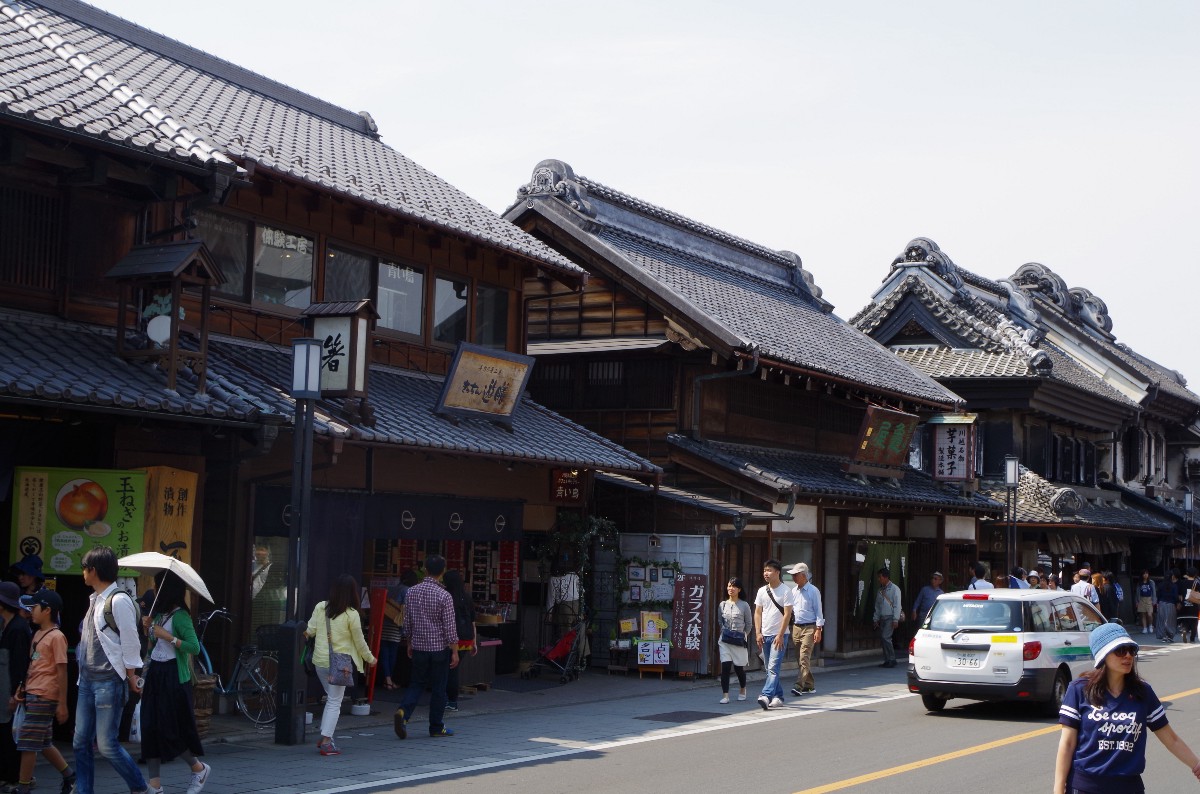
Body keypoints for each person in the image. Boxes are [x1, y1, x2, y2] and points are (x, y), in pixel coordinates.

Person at [1054, 622, 1200, 793]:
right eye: (1121, 650)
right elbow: (1067, 743)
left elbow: (1171, 739)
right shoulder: (1079, 689)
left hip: (1129, 787)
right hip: (1085, 787)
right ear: (1103, 655)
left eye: (1132, 650)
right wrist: (1059, 788)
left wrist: (1196, 765)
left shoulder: (1143, 693)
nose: (1128, 656)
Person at [74, 545, 148, 794]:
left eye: (85, 568)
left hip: (108, 682)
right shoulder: (95, 599)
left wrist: (131, 676)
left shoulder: (119, 600)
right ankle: (84, 790)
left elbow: (131, 641)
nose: (83, 572)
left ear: (93, 570)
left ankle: (140, 788)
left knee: (107, 745)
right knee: (80, 742)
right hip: (87, 680)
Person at [139, 570, 209, 794]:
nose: (154, 591)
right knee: (149, 726)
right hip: (156, 673)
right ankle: (155, 784)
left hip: (173, 676)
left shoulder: (181, 616)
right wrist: (148, 629)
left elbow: (194, 647)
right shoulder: (159, 614)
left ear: (167, 590)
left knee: (170, 730)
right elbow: (153, 643)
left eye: (158, 586)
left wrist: (168, 636)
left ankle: (198, 768)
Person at [8, 589, 74, 794]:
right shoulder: (37, 633)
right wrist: (22, 688)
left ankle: (23, 787)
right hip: (33, 693)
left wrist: (62, 704)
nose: (30, 611)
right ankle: (70, 777)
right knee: (43, 742)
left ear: (47, 610)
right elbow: (34, 665)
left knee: (28, 743)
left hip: (45, 695)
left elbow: (62, 671)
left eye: (34, 607)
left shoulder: (57, 637)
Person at [305, 574, 376, 756]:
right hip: (339, 665)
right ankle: (327, 741)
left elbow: (309, 631)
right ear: (352, 592)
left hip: (320, 661)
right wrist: (370, 659)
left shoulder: (321, 607)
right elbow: (360, 642)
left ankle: (325, 734)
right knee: (335, 701)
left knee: (331, 698)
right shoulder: (352, 614)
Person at [395, 555, 458, 740]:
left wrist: (409, 642)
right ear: (443, 572)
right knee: (439, 687)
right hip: (439, 648)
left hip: (419, 646)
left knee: (416, 683)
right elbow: (450, 627)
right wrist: (454, 651)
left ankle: (403, 713)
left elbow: (407, 621)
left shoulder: (412, 592)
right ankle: (436, 726)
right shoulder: (444, 595)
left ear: (425, 570)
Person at [0, 582, 31, 788]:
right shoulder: (7, 625)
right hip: (5, 684)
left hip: (10, 687)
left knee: (8, 732)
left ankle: (12, 776)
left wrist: (16, 692)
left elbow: (20, 664)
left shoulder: (18, 628)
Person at [753, 560, 792, 710]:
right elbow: (758, 612)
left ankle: (766, 695)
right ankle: (779, 696)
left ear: (777, 572)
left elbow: (787, 614)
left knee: (773, 667)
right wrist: (758, 632)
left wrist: (781, 634)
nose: (766, 573)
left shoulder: (786, 591)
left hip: (779, 635)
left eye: (769, 570)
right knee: (770, 668)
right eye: (764, 570)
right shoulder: (762, 591)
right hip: (765, 634)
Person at [785, 562, 824, 696]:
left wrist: (819, 629)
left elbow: (819, 611)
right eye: (793, 575)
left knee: (804, 657)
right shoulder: (793, 591)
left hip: (810, 627)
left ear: (803, 576)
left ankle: (799, 685)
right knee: (800, 658)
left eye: (796, 575)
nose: (794, 578)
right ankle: (809, 684)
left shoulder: (813, 591)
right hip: (796, 626)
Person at [442, 570, 476, 712]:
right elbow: (473, 621)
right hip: (466, 639)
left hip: (452, 639)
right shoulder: (467, 597)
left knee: (448, 671)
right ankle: (451, 701)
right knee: (453, 670)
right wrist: (474, 641)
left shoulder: (446, 597)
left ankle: (450, 701)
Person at [379, 569, 417, 691]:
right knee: (392, 654)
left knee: (384, 652)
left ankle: (387, 679)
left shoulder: (392, 588)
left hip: (384, 623)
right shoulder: (406, 590)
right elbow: (405, 611)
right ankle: (389, 680)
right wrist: (406, 630)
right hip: (396, 625)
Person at [716, 577, 752, 704]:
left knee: (738, 669)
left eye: (734, 586)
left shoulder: (744, 605)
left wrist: (742, 636)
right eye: (729, 586)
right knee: (725, 667)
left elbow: (749, 624)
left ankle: (743, 689)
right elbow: (720, 621)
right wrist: (725, 632)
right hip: (725, 641)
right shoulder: (722, 604)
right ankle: (725, 695)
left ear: (739, 589)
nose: (731, 588)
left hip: (738, 641)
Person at [872, 567, 903, 668]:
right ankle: (887, 659)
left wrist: (895, 619)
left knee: (886, 637)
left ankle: (892, 659)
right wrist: (875, 618)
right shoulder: (880, 590)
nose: (879, 579)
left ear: (886, 577)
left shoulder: (895, 589)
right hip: (882, 617)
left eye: (880, 577)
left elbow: (897, 605)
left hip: (890, 617)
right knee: (883, 638)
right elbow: (877, 605)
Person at [1156, 570, 1179, 643]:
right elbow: (1175, 596)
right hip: (1171, 604)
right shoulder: (1174, 585)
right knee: (1171, 620)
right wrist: (1177, 603)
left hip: (1162, 603)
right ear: (1172, 576)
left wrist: (1158, 602)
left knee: (1162, 620)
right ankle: (1170, 635)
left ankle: (1163, 636)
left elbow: (1158, 595)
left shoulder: (1160, 585)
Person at [1136, 570, 1155, 635]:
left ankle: (1150, 625)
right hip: (1141, 598)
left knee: (1149, 614)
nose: (1145, 575)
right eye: (1144, 574)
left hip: (1149, 598)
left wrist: (1154, 600)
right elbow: (1137, 592)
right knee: (1143, 614)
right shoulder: (1139, 583)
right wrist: (1137, 601)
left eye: (1146, 573)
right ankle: (1145, 627)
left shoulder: (1151, 582)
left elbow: (1154, 592)